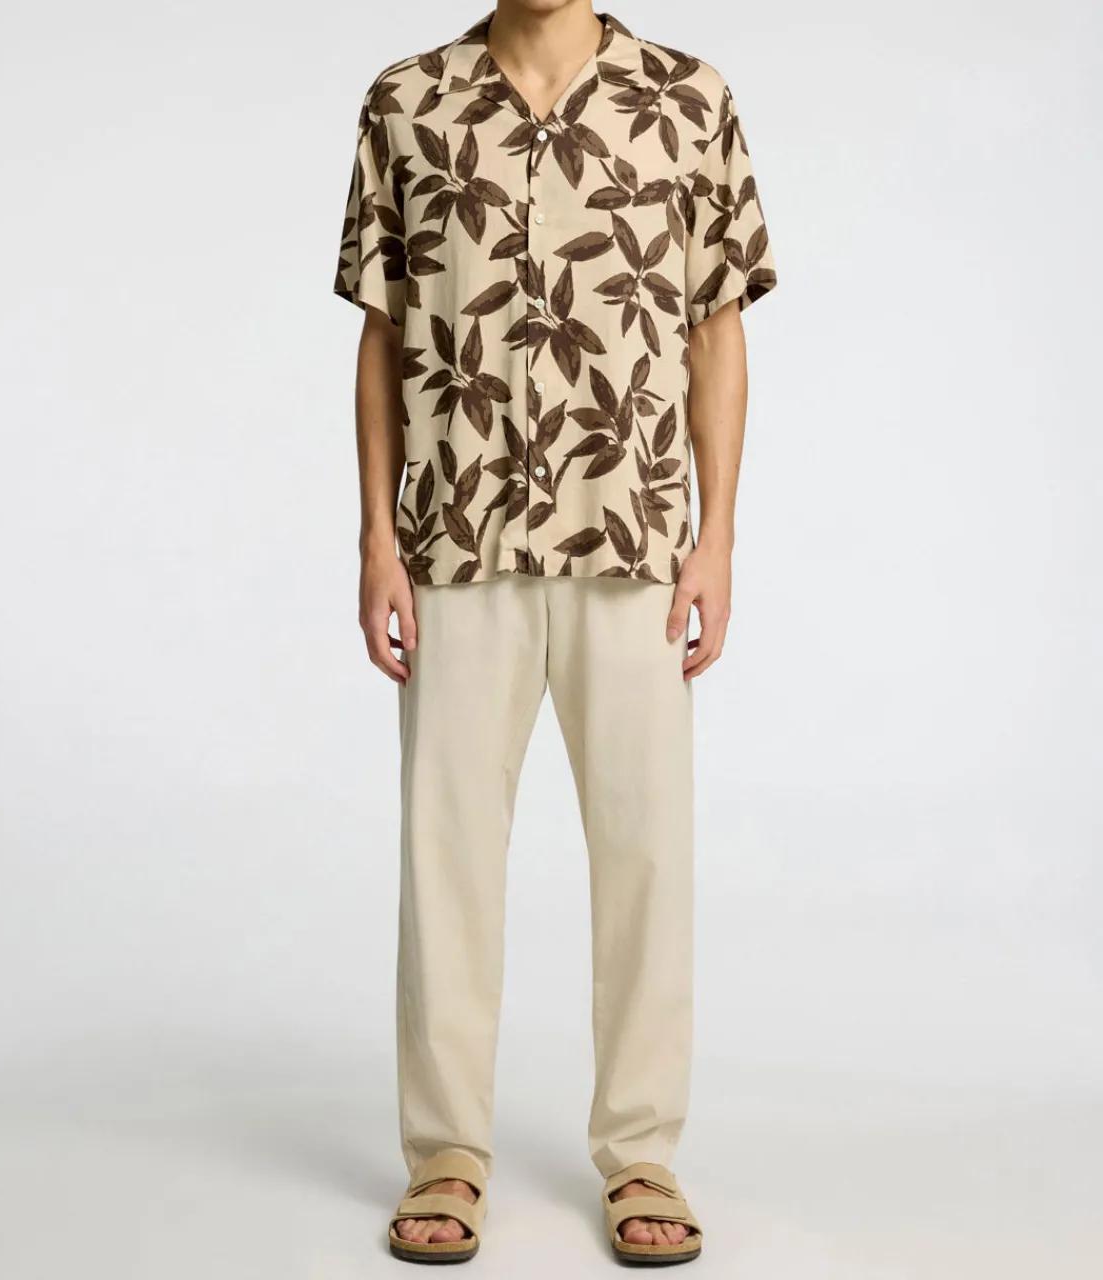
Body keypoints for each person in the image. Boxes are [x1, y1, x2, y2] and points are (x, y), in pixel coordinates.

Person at [333, 0, 776, 1265]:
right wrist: (376, 541)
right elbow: (382, 335)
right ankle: (445, 1153)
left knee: (645, 856)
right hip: (454, 539)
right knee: (445, 859)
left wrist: (716, 538)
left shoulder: (686, 99)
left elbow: (715, 329)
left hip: (632, 541)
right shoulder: (407, 101)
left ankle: (641, 1151)